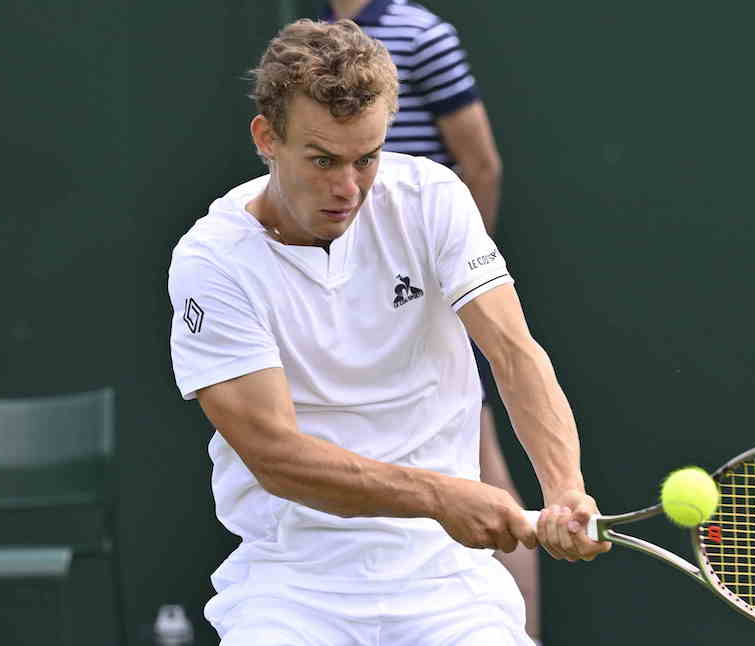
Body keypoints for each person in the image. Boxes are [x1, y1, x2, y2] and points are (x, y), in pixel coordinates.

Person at [168, 19, 608, 645]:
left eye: (366, 158)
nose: (348, 188)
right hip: (291, 586)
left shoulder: (431, 198)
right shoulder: (212, 261)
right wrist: (439, 497)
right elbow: (276, 457)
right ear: (267, 138)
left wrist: (564, 488)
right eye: (323, 160)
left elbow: (513, 353)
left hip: (449, 583)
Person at [318, 1, 543, 639]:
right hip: (347, 296)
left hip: (422, 286)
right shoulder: (311, 36)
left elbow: (481, 163)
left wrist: (451, 280)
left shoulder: (422, 35)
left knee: (486, 473)